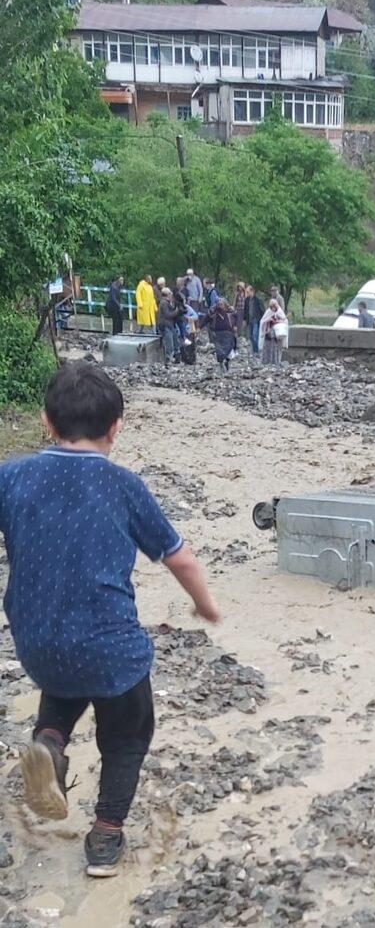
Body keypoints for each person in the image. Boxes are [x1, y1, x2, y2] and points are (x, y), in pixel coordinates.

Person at [0, 363, 220, 877]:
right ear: (117, 426)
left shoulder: (9, 476)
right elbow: (179, 558)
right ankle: (105, 837)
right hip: (109, 648)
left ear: (46, 422)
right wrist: (205, 605)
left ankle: (50, 743)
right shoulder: (124, 486)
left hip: (37, 644)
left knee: (64, 678)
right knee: (126, 734)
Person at [200, 298, 236, 373]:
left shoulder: (230, 311)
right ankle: (221, 363)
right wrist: (199, 327)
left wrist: (235, 326)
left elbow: (235, 317)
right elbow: (206, 319)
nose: (220, 306)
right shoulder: (213, 312)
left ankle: (227, 361)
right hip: (218, 334)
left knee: (230, 347)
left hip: (228, 333)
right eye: (219, 304)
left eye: (222, 304)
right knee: (220, 350)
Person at [157, 288, 182, 367]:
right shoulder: (163, 303)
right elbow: (168, 315)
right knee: (169, 343)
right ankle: (167, 361)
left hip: (170, 325)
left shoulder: (168, 303)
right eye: (170, 293)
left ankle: (177, 358)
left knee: (175, 342)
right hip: (166, 325)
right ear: (166, 295)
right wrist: (176, 311)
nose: (171, 295)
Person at [259, 298, 288, 366]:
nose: (273, 309)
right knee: (267, 347)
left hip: (277, 335)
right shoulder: (268, 312)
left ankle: (276, 361)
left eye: (274, 307)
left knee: (275, 348)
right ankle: (266, 361)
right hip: (268, 334)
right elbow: (262, 321)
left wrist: (279, 321)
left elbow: (285, 321)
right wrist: (268, 320)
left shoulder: (280, 311)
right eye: (272, 307)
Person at [244, 285, 264, 355]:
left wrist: (260, 319)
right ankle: (255, 351)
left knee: (255, 335)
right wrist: (244, 319)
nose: (247, 293)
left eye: (248, 292)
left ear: (252, 291)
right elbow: (245, 310)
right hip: (249, 320)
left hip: (256, 320)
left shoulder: (258, 300)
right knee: (251, 336)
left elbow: (262, 310)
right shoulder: (246, 300)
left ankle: (257, 350)